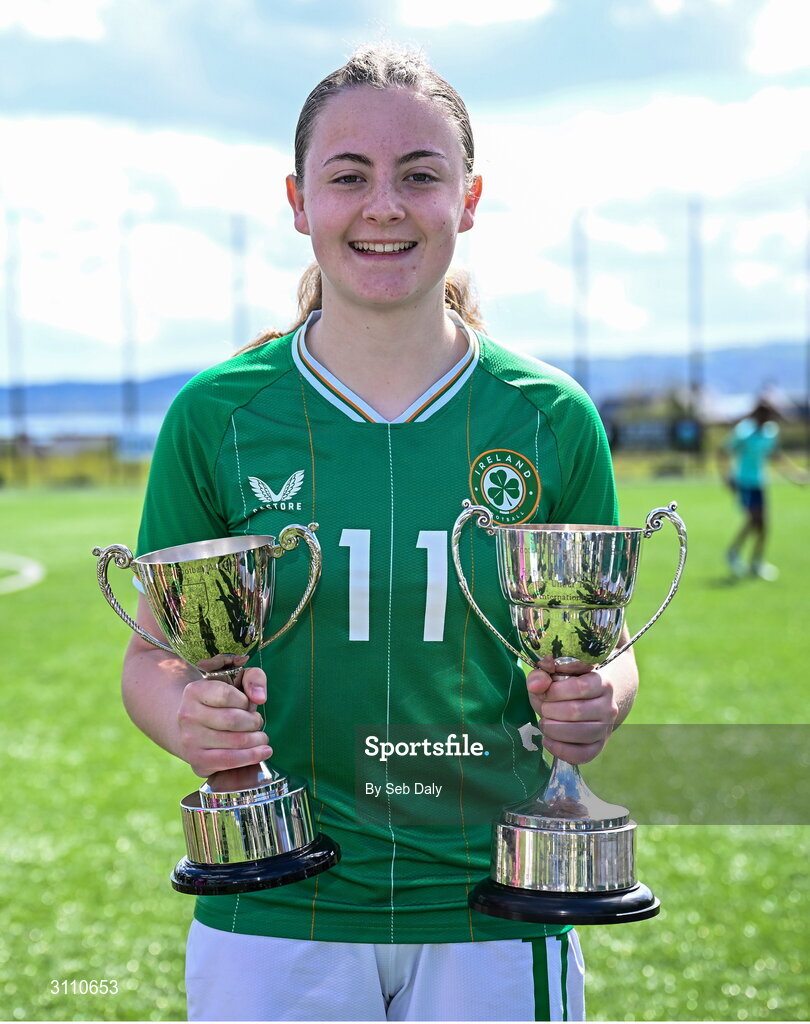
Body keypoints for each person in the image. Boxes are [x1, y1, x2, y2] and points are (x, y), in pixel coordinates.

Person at [121, 44, 639, 1022]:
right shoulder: (217, 416)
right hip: (274, 906)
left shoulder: (551, 417)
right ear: (298, 198)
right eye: (349, 176)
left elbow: (603, 649)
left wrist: (596, 700)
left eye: (420, 175)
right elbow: (152, 657)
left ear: (471, 197)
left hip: (496, 902)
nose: (384, 206)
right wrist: (184, 718)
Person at [720, 398, 804, 580]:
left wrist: (794, 475)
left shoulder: (769, 432)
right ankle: (733, 552)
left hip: (759, 482)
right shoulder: (744, 431)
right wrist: (726, 477)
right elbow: (725, 450)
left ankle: (756, 562)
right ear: (758, 414)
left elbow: (775, 456)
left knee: (763, 525)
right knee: (754, 518)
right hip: (744, 481)